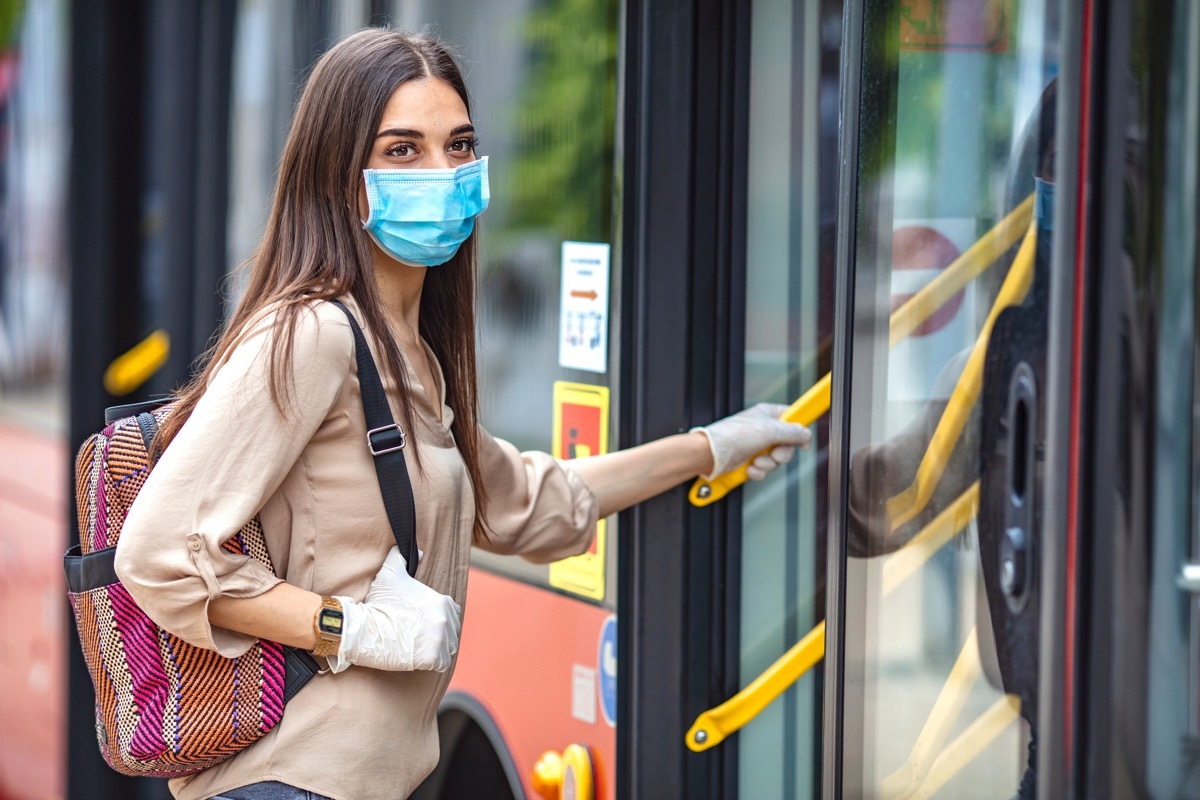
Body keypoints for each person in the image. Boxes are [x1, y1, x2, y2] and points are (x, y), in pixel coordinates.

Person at [113, 27, 811, 800]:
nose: (443, 173)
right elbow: (158, 553)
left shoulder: (408, 355)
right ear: (338, 174)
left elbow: (532, 504)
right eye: (403, 150)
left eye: (459, 145)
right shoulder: (312, 333)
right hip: (291, 783)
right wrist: (352, 629)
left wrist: (710, 448)